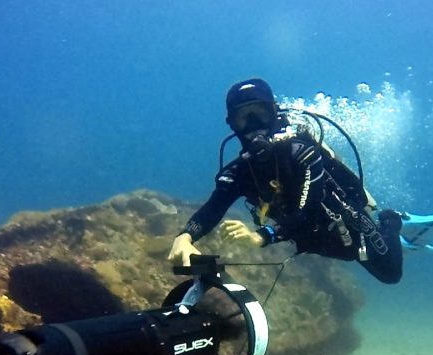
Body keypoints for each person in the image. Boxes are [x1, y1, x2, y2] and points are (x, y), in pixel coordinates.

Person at [168, 78, 404, 284]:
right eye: (243, 118)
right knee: (347, 255)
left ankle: (391, 220)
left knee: (390, 274)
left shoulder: (302, 153)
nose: (254, 125)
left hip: (347, 225)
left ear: (274, 113)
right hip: (308, 239)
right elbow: (213, 207)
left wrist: (262, 236)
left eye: (260, 114)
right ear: (232, 124)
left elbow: (309, 209)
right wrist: (184, 237)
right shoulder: (241, 171)